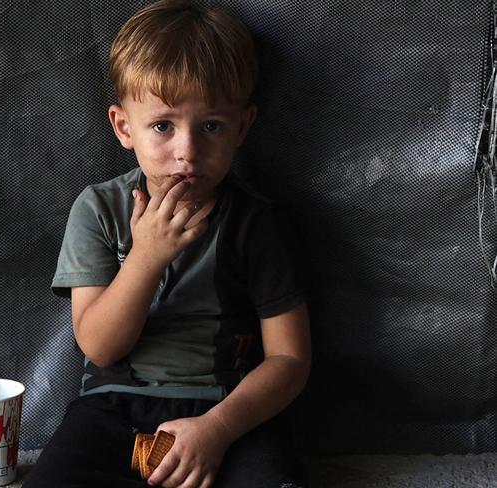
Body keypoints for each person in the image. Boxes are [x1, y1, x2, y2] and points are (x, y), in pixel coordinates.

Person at [22, 1, 311, 486]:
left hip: (229, 408)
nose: (188, 152)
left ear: (242, 126)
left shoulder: (257, 224)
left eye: (212, 126)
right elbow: (100, 345)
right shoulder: (99, 210)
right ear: (123, 127)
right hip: (112, 408)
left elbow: (290, 359)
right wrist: (148, 256)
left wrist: (217, 429)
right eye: (163, 126)